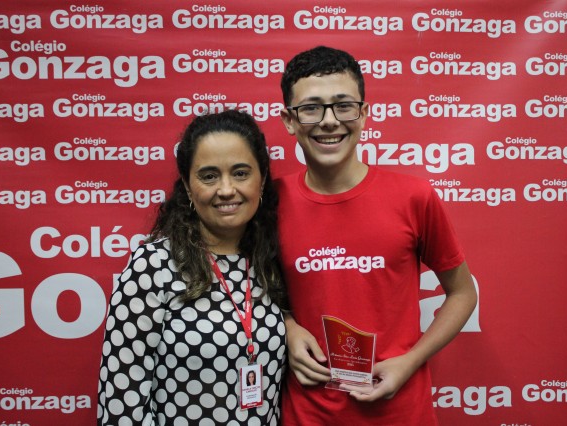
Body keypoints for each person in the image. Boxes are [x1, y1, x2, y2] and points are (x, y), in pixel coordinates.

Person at [276, 46, 478, 425]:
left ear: (364, 113)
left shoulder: (413, 197)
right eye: (311, 108)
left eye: (343, 106)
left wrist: (409, 362)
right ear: (289, 120)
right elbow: (252, 292)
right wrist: (287, 328)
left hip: (400, 412)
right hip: (308, 414)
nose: (329, 121)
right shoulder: (271, 203)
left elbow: (463, 293)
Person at [97, 110, 287, 425]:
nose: (226, 189)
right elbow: (121, 404)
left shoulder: (271, 260)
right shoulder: (153, 265)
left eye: (240, 173)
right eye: (209, 176)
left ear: (263, 179)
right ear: (187, 186)